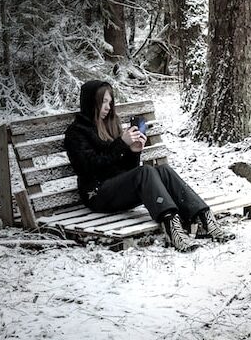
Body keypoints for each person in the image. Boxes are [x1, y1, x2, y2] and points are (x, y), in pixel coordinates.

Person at [64, 80, 235, 251]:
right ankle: (171, 229)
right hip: (96, 194)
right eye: (103, 102)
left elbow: (128, 170)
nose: (108, 107)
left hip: (116, 190)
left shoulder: (111, 125)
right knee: (146, 171)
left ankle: (203, 218)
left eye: (110, 102)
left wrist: (133, 151)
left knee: (163, 170)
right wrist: (121, 144)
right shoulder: (76, 132)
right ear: (90, 102)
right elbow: (88, 168)